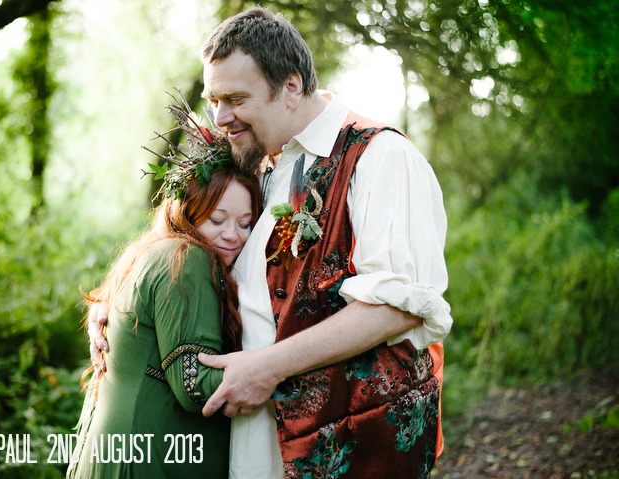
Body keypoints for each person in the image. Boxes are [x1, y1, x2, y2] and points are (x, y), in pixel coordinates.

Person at [91, 7, 452, 478]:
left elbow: (398, 305)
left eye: (235, 98)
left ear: (292, 86)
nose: (220, 117)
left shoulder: (382, 158)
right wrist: (119, 305)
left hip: (356, 447)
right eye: (213, 100)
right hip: (255, 448)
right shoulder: (257, 163)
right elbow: (189, 236)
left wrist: (266, 368)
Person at [67, 102, 262, 478]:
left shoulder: (152, 250)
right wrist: (289, 366)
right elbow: (195, 386)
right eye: (217, 219)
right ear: (188, 212)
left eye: (245, 222)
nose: (232, 235)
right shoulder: (187, 260)